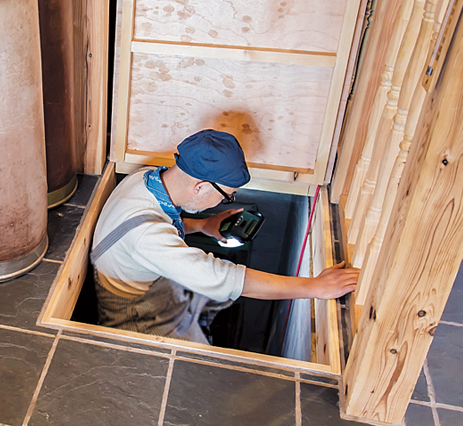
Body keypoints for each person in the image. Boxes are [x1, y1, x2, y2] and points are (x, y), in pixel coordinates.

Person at [91, 129, 358, 345]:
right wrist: (314, 287)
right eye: (226, 195)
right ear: (201, 186)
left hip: (146, 282)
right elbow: (223, 277)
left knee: (210, 298)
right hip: (136, 316)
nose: (226, 201)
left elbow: (156, 222)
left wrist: (204, 224)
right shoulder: (146, 236)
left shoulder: (145, 178)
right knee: (199, 371)